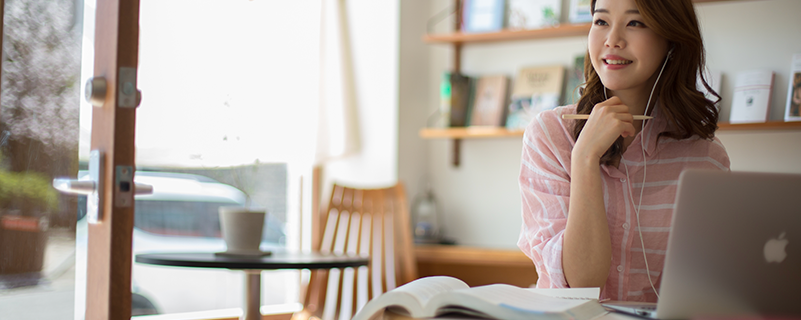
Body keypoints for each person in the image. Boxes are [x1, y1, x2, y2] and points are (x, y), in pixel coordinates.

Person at [517, 0, 731, 303]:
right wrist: (584, 158)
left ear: (671, 39)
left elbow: (706, 291)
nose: (612, 40)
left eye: (635, 23)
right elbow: (581, 284)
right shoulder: (550, 136)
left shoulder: (704, 157)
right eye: (601, 22)